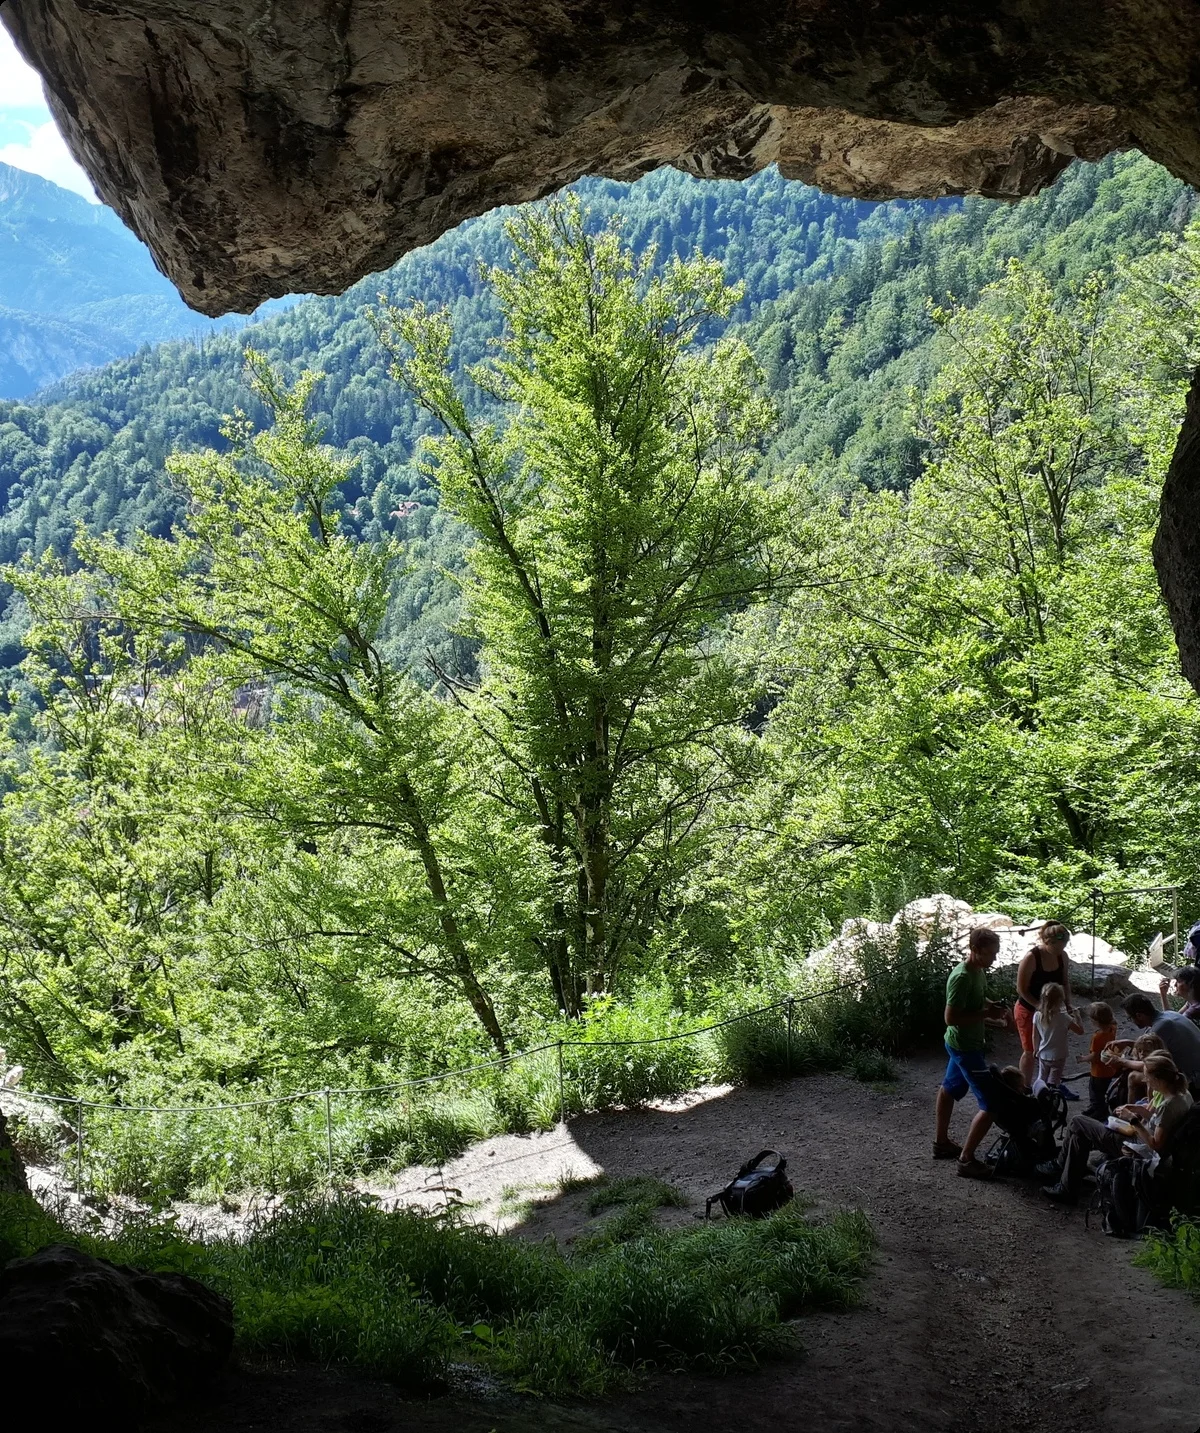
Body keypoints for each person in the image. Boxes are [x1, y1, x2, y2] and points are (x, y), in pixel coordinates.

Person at [1043, 1054, 1194, 1204]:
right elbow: (1159, 1122)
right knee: (1078, 1137)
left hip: (1138, 1148)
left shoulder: (1168, 1107)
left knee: (1077, 1122)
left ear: (1158, 1079)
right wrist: (1138, 1109)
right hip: (1141, 1140)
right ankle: (1068, 1183)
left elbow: (1156, 1144)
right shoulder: (1183, 1094)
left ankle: (1060, 1168)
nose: (1145, 1080)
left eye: (1148, 1077)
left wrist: (1133, 1119)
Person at [934, 926, 1013, 1178]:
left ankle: (941, 1144)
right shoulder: (962, 977)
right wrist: (986, 1014)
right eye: (990, 954)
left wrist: (994, 1009)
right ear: (975, 950)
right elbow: (950, 1017)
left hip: (965, 1044)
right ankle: (966, 1161)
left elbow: (978, 1001)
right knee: (991, 1104)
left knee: (948, 1089)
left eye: (996, 953)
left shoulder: (979, 971)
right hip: (964, 1048)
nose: (994, 959)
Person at [1014, 921, 1074, 1087]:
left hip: (1053, 1010)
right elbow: (1021, 989)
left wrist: (1068, 1004)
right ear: (1048, 942)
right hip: (1029, 1009)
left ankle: (1052, 1083)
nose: (1060, 950)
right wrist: (1039, 1006)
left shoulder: (1062, 956)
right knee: (1031, 1050)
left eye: (1064, 945)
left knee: (1054, 1046)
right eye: (1057, 947)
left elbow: (1065, 982)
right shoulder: (1032, 958)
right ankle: (1024, 1087)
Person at [1123, 992, 1200, 1088]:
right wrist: (1128, 1043)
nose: (1131, 1021)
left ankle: (1140, 1103)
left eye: (1130, 1018)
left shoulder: (1160, 1028)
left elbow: (1151, 1064)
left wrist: (1121, 1061)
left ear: (1139, 1016)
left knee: (1133, 1076)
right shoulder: (1169, 1014)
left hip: (1193, 1080)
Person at [1032, 982, 1083, 1097]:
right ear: (1059, 1000)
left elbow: (1035, 1035)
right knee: (1054, 1082)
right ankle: (1052, 1101)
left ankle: (1039, 1097)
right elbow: (1080, 1031)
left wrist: (1035, 1049)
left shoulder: (1037, 1016)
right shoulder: (1064, 1018)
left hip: (1043, 1054)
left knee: (1041, 1078)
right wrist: (1078, 1017)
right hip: (1058, 1056)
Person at [1079, 1000, 1119, 1117]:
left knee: (1095, 1093)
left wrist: (1083, 1058)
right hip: (1109, 1068)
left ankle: (1099, 1111)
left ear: (1095, 1021)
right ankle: (1094, 1108)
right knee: (1101, 1091)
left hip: (1098, 1071)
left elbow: (1094, 1056)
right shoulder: (1112, 1028)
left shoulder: (1097, 1037)